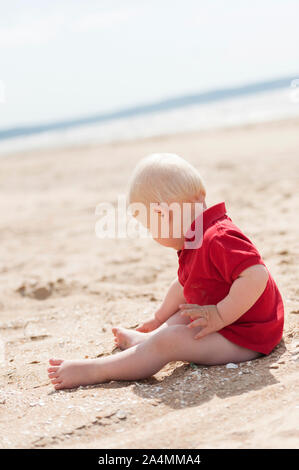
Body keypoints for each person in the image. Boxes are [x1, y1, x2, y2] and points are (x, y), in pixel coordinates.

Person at [48, 153, 284, 390]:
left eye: (150, 226)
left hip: (249, 337)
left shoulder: (218, 237)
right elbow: (184, 284)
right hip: (236, 324)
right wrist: (160, 317)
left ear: (164, 214)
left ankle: (98, 370)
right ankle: (147, 340)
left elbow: (256, 275)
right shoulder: (197, 238)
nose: (153, 234)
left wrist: (220, 315)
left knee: (169, 341)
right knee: (186, 312)